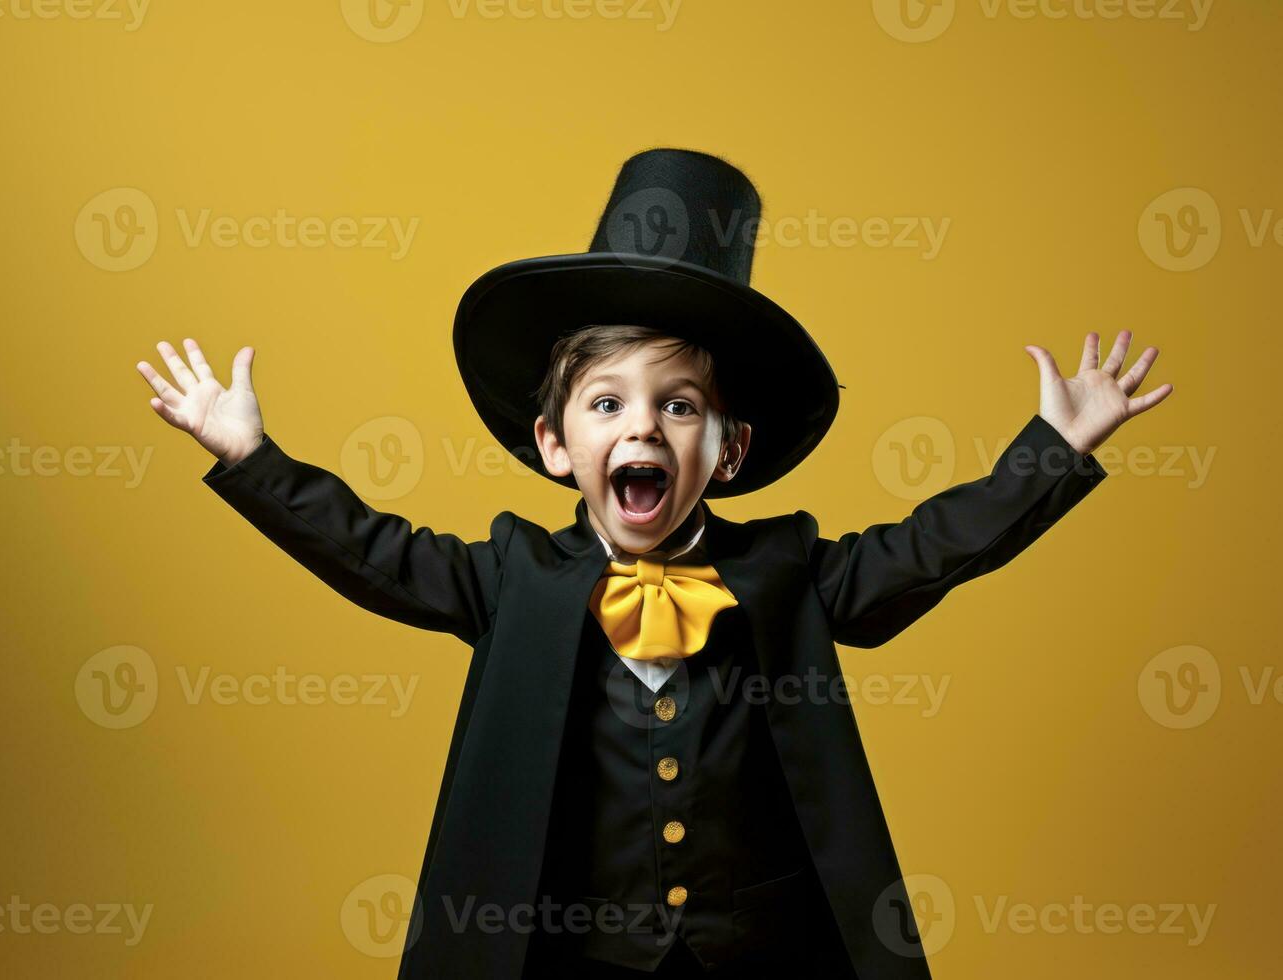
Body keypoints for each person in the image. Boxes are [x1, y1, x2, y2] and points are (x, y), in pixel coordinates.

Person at [135, 148, 1172, 979]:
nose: (644, 428)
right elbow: (369, 551)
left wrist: (1051, 452)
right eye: (607, 404)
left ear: (726, 450)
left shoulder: (789, 569)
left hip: (761, 950)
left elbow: (930, 546)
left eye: (678, 406)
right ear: (555, 445)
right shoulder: (511, 575)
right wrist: (251, 459)